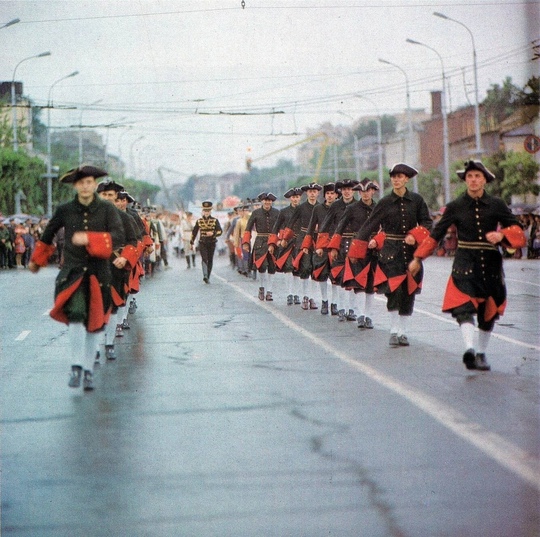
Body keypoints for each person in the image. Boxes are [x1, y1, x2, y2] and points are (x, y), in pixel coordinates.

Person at [410, 160, 526, 371]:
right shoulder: (455, 206)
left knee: (489, 311)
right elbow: (436, 234)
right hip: (464, 262)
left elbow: (518, 228)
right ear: (465, 180)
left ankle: (481, 353)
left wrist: (501, 235)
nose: (473, 180)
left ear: (485, 180)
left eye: (477, 177)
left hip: (490, 264)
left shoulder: (497, 204)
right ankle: (469, 349)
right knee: (463, 307)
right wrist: (418, 258)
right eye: (470, 177)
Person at [29, 165, 124, 391]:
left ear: (94, 184)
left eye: (89, 182)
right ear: (75, 186)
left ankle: (89, 369)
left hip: (99, 274)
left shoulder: (107, 210)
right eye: (80, 183)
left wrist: (91, 239)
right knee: (75, 314)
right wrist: (37, 260)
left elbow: (118, 236)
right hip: (72, 273)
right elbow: (48, 233)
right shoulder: (65, 209)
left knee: (94, 323)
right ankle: (76, 365)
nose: (85, 186)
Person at [349, 164, 432, 347]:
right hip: (389, 253)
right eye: (393, 176)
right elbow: (369, 225)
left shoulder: (417, 201)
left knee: (408, 292)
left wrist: (415, 236)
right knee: (393, 291)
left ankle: (404, 331)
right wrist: (356, 250)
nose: (396, 179)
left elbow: (427, 222)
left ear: (407, 179)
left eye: (399, 176)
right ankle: (394, 330)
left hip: (411, 254)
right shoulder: (385, 202)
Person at [329, 178, 379, 327]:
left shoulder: (378, 208)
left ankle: (368, 316)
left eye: (368, 191)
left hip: (374, 248)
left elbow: (385, 227)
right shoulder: (352, 208)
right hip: (356, 248)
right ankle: (359, 313)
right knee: (357, 283)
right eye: (362, 191)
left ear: (372, 191)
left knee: (371, 284)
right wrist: (333, 247)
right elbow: (340, 228)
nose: (365, 194)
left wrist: (378, 240)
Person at [316, 178, 359, 319]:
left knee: (353, 278)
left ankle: (352, 310)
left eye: (350, 189)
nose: (347, 192)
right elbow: (326, 225)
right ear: (341, 191)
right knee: (339, 278)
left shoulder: (358, 205)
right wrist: (321, 246)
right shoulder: (335, 206)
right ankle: (340, 308)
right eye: (344, 189)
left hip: (354, 244)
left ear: (353, 190)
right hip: (338, 244)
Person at [281, 183, 322, 310]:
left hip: (318, 239)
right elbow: (291, 223)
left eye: (315, 191)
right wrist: (284, 239)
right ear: (306, 193)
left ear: (318, 193)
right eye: (310, 191)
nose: (312, 193)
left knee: (316, 268)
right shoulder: (301, 208)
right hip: (303, 238)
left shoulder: (321, 207)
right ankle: (305, 296)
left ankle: (313, 297)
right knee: (305, 267)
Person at [302, 182, 339, 314]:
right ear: (324, 195)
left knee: (336, 275)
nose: (330, 196)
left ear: (336, 195)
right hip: (321, 246)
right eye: (328, 193)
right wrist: (306, 245)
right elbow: (311, 227)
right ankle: (324, 301)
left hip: (336, 245)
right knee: (321, 274)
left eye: (332, 193)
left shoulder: (341, 208)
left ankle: (335, 303)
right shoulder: (318, 209)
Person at [268, 187, 303, 304]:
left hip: (301, 241)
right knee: (288, 268)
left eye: (297, 197)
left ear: (300, 198)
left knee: (298, 268)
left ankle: (297, 294)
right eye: (293, 197)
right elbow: (276, 227)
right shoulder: (283, 212)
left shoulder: (305, 210)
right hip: (286, 242)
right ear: (290, 199)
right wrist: (274, 242)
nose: (295, 199)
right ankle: (289, 293)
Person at [242, 192, 280, 300]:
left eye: (269, 200)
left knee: (272, 266)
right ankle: (262, 287)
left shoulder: (277, 213)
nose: (267, 202)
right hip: (260, 241)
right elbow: (248, 228)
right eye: (265, 200)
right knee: (261, 266)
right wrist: (245, 243)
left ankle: (269, 291)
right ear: (262, 201)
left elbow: (282, 227)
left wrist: (281, 240)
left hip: (273, 241)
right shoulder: (256, 213)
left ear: (271, 201)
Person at [190, 201, 223, 283]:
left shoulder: (215, 221)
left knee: (210, 259)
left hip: (212, 242)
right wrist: (191, 242)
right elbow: (194, 232)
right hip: (202, 242)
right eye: (205, 211)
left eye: (208, 211)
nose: (206, 212)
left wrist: (213, 233)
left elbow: (220, 231)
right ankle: (205, 275)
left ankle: (208, 275)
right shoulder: (199, 221)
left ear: (210, 211)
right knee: (204, 258)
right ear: (202, 211)